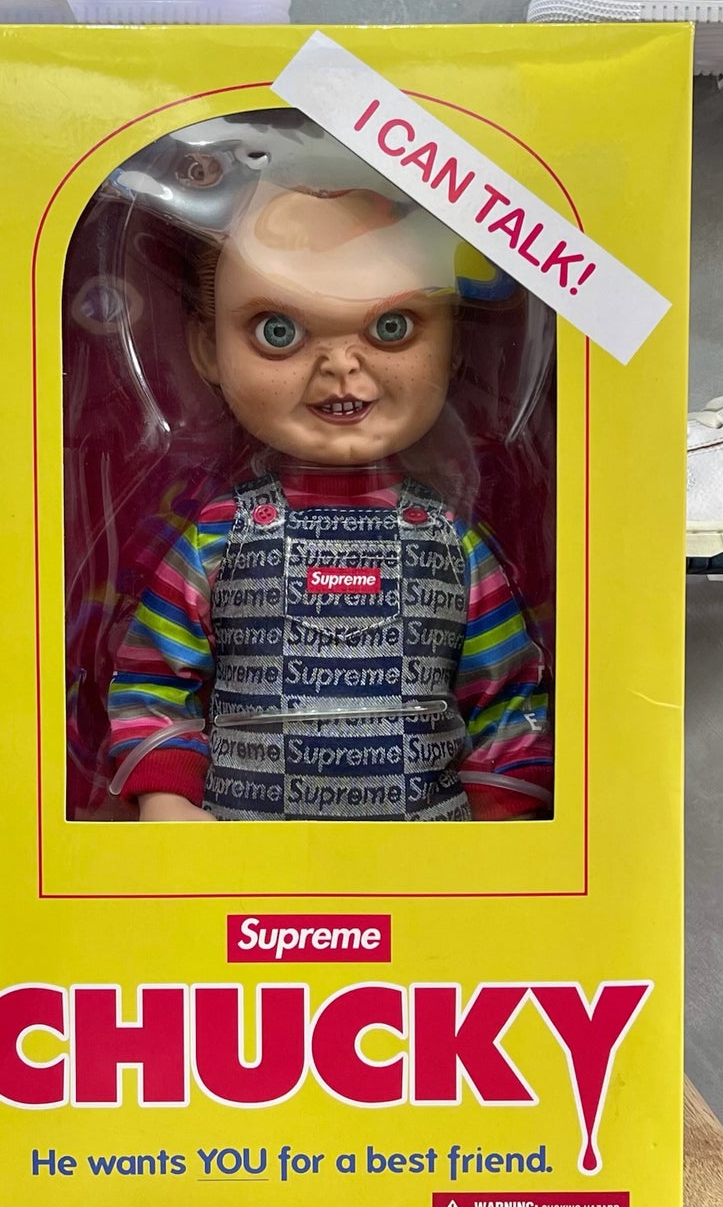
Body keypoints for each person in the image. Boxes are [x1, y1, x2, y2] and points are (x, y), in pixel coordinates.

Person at [106, 174, 553, 823]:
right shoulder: (222, 536)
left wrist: (499, 821)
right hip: (249, 847)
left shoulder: (448, 542)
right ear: (208, 348)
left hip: (424, 851)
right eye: (277, 331)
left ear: (453, 341)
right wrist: (167, 797)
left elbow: (507, 695)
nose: (341, 365)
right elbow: (151, 676)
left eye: (392, 327)